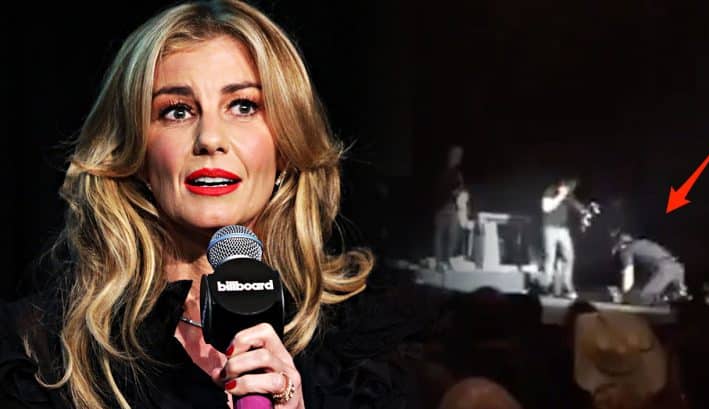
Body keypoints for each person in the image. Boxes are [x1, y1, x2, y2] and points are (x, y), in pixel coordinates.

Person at [0, 1, 424, 408]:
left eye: (243, 106)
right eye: (177, 111)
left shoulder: (363, 346)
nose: (209, 139)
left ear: (286, 147)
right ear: (137, 154)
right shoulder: (40, 349)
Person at [610, 230, 690, 306]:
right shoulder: (643, 242)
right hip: (678, 267)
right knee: (663, 296)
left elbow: (628, 273)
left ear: (620, 244)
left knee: (645, 297)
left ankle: (671, 296)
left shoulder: (627, 250)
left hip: (665, 269)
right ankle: (676, 294)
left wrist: (624, 296)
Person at [540, 177, 586, 299]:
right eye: (567, 187)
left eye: (570, 189)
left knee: (569, 256)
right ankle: (546, 286)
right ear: (561, 185)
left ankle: (567, 287)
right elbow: (546, 208)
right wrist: (560, 197)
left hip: (563, 229)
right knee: (550, 257)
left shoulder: (569, 196)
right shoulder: (550, 191)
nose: (569, 190)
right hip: (550, 228)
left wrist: (584, 211)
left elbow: (578, 207)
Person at [432, 144, 466, 272]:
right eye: (456, 154)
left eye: (460, 155)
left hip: (452, 207)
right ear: (450, 155)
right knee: (440, 236)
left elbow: (460, 189)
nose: (458, 157)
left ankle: (448, 262)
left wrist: (460, 193)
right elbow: (439, 190)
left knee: (452, 237)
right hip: (442, 208)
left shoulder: (457, 173)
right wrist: (454, 192)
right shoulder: (442, 172)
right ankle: (439, 263)